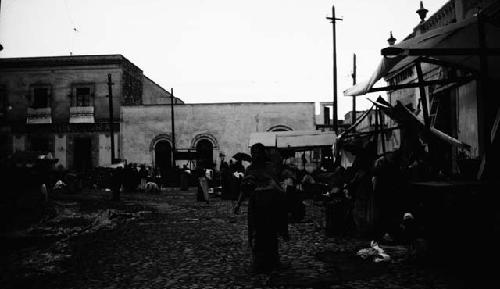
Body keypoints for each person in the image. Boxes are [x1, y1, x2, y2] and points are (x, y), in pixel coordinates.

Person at [233, 143, 289, 273]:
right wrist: (238, 203)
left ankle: (274, 261)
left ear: (263, 154)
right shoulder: (250, 170)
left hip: (270, 205)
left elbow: (276, 185)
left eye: (259, 152)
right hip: (257, 206)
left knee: (271, 233)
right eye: (254, 153)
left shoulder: (270, 168)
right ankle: (258, 263)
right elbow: (244, 188)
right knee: (257, 234)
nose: (256, 155)